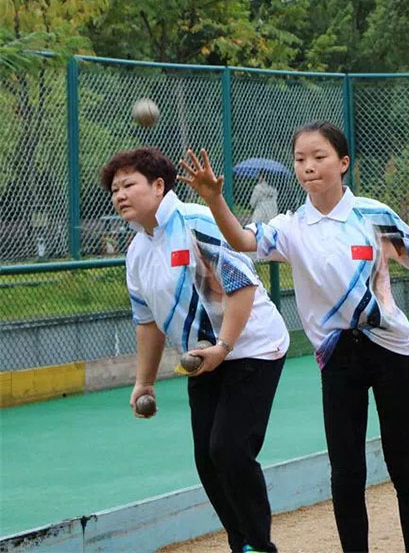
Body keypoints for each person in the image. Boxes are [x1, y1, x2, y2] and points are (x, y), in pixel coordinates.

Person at [179, 122, 409, 553]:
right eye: (300, 159)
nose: (308, 166)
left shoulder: (372, 214)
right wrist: (214, 199)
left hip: (392, 351)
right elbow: (242, 240)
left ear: (343, 162)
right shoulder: (290, 226)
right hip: (337, 358)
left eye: (319, 157)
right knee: (346, 471)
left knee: (403, 462)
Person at [101, 147, 288, 553]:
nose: (120, 195)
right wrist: (144, 382)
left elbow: (242, 286)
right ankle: (242, 544)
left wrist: (224, 345)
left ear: (158, 186)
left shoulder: (195, 221)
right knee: (207, 460)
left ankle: (259, 545)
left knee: (230, 449)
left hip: (251, 347)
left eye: (128, 184)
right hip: (203, 359)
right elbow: (147, 322)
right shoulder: (137, 251)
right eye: (114, 190)